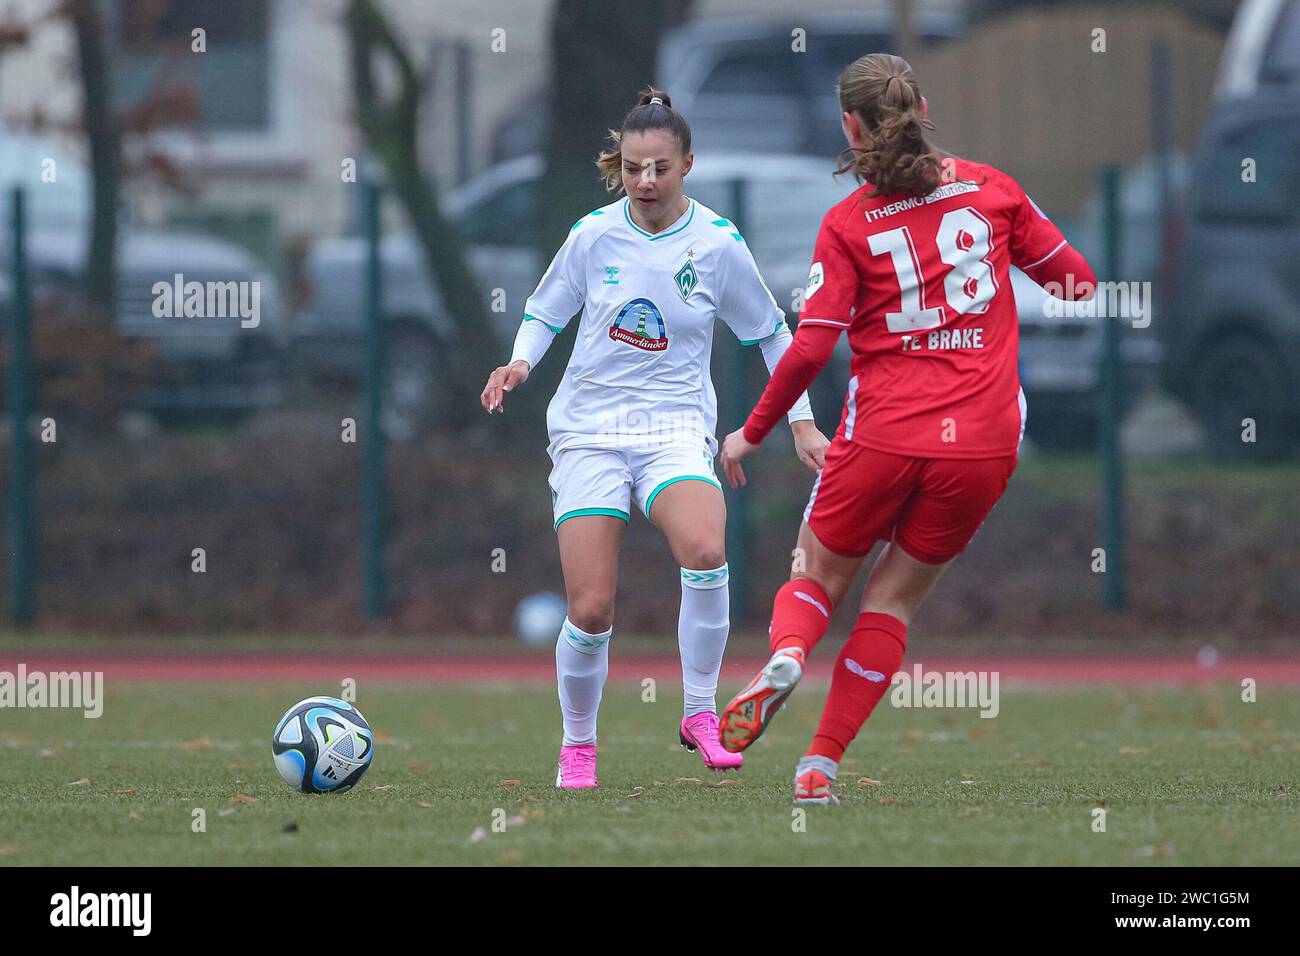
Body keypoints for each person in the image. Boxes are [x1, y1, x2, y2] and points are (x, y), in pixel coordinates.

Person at [715, 54, 1097, 805]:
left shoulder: (848, 223)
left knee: (817, 574)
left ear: (850, 127)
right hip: (985, 442)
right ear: (923, 106)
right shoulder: (994, 190)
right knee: (891, 601)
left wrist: (753, 431)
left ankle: (789, 654)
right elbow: (1077, 282)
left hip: (885, 434)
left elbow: (812, 347)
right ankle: (820, 765)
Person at [480, 88, 830, 789]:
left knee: (705, 546)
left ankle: (700, 712)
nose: (645, 181)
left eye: (660, 168)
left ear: (687, 164)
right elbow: (546, 311)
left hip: (673, 429)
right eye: (635, 167)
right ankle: (579, 746)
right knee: (590, 607)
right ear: (621, 165)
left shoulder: (718, 245)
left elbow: (773, 333)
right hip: (589, 432)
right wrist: (520, 361)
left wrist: (800, 420)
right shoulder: (592, 234)